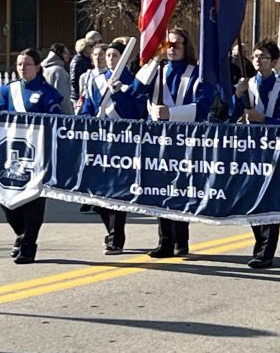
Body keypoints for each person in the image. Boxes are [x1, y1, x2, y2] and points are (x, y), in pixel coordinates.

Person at [0, 48, 63, 264]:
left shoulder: (48, 93)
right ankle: (21, 234)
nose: (22, 68)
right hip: (11, 152)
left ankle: (29, 245)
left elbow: (56, 120)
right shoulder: (9, 89)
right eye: (19, 64)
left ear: (37, 67)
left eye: (27, 64)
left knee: (32, 201)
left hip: (37, 155)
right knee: (7, 199)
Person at [138, 28, 211, 259]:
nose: (172, 49)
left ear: (186, 47)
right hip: (157, 140)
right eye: (168, 44)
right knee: (160, 189)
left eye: (177, 44)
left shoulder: (196, 73)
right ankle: (165, 241)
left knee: (180, 189)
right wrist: (152, 62)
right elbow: (135, 91)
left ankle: (181, 238)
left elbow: (203, 106)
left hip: (184, 140)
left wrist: (172, 113)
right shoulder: (157, 70)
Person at [232, 39, 280, 269]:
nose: (258, 60)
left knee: (269, 199)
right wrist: (237, 95)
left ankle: (265, 251)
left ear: (275, 61)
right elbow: (229, 114)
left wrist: (265, 119)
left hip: (274, 150)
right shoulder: (247, 84)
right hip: (250, 150)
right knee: (252, 198)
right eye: (255, 56)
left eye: (264, 57)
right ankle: (260, 242)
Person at [79, 41, 145, 254]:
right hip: (98, 142)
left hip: (121, 144)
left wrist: (118, 94)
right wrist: (87, 120)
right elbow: (87, 108)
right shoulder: (95, 81)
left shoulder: (132, 82)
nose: (110, 59)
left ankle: (116, 238)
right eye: (108, 55)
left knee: (116, 192)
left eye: (115, 55)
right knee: (97, 196)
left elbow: (135, 114)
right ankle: (111, 231)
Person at [41, 43, 74, 115]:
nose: (68, 55)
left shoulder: (43, 69)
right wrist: (69, 115)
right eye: (65, 53)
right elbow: (63, 95)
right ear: (59, 54)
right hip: (59, 113)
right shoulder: (59, 71)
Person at [69, 38, 93, 103]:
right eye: (90, 46)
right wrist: (80, 95)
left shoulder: (87, 59)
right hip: (78, 96)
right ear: (84, 47)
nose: (93, 48)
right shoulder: (78, 61)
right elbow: (74, 80)